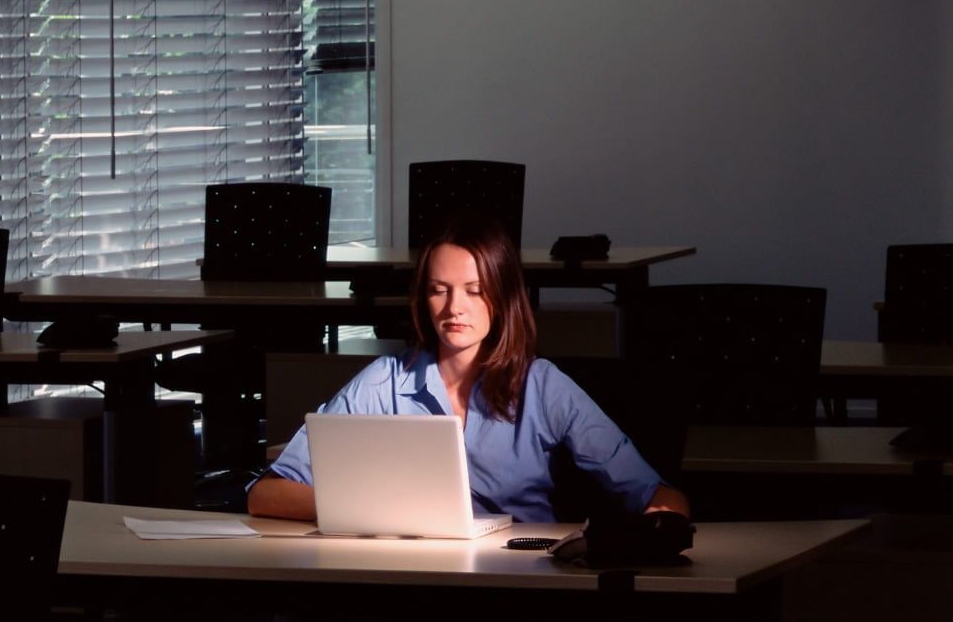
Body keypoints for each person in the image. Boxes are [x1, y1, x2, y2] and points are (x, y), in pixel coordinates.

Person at [247, 218, 690, 523]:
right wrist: (370, 508)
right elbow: (266, 494)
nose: (454, 308)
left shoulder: (542, 385)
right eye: (439, 291)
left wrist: (660, 522)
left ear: (502, 298)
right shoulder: (384, 382)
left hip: (525, 585)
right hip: (420, 583)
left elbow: (658, 494)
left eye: (474, 291)